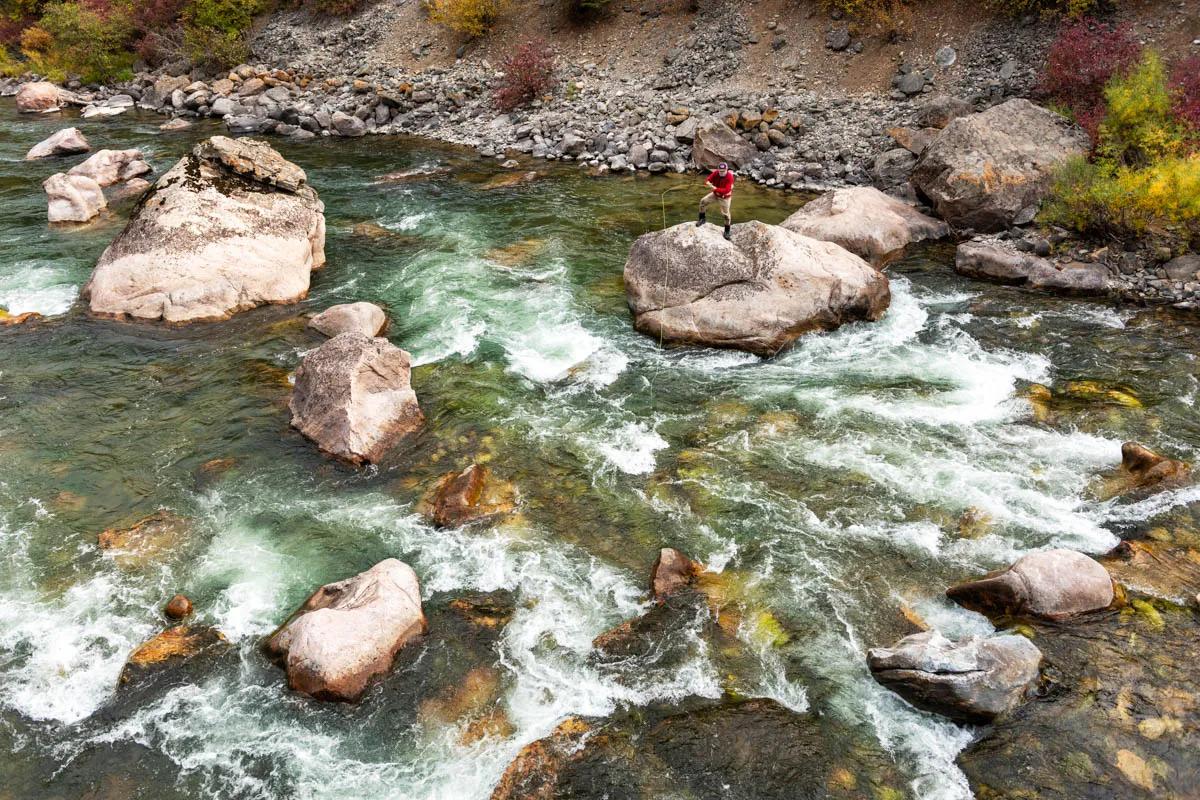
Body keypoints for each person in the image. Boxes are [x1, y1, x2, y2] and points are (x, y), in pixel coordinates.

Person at [697, 162, 735, 240]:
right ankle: (702, 219)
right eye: (720, 171)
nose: (721, 173)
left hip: (725, 197)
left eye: (723, 171)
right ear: (718, 170)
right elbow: (708, 179)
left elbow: (726, 190)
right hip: (715, 194)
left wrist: (715, 188)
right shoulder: (716, 173)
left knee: (726, 215)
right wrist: (707, 182)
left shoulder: (730, 177)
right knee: (703, 202)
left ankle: (727, 231)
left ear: (726, 170)